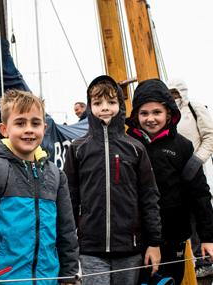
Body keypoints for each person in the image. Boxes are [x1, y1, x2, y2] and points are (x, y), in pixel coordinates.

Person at [0, 89, 79, 285]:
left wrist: (68, 275)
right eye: (20, 123)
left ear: (45, 127)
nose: (29, 129)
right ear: (4, 129)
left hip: (49, 279)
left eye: (35, 123)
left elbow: (66, 231)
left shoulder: (56, 176)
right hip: (4, 279)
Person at [64, 75, 162, 284]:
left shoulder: (135, 148)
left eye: (111, 102)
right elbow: (69, 198)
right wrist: (67, 243)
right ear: (90, 107)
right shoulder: (77, 149)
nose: (105, 107)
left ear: (120, 104)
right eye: (97, 103)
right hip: (90, 248)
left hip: (129, 247)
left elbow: (149, 197)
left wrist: (154, 243)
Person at [126, 78, 213, 284]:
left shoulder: (182, 146)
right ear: (136, 116)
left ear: (169, 114)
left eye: (157, 112)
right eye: (144, 113)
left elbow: (199, 193)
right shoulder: (127, 146)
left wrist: (208, 237)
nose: (151, 119)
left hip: (173, 237)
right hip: (136, 240)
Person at [167, 78, 213, 278]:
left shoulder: (194, 108)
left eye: (175, 92)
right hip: (176, 176)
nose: (173, 96)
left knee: (201, 211)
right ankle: (194, 262)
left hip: (197, 171)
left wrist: (197, 160)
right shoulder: (167, 113)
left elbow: (210, 135)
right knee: (186, 219)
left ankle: (206, 259)